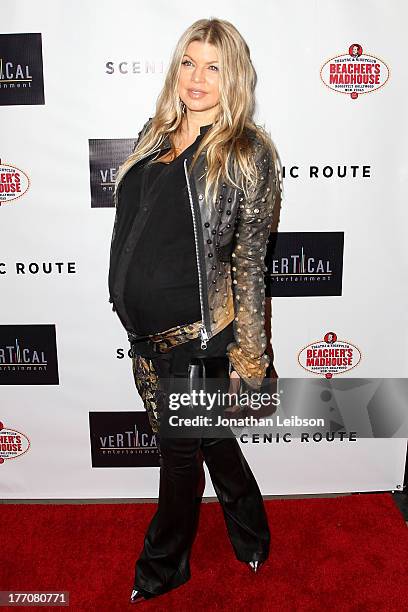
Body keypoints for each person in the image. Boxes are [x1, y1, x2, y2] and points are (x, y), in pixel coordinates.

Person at [108, 17, 282, 605]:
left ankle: (162, 566)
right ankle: (253, 531)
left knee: (179, 459)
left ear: (233, 75)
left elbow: (252, 264)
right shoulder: (153, 134)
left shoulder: (245, 151)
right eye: (189, 62)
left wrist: (250, 358)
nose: (198, 77)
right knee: (209, 439)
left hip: (199, 337)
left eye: (213, 65)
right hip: (147, 336)